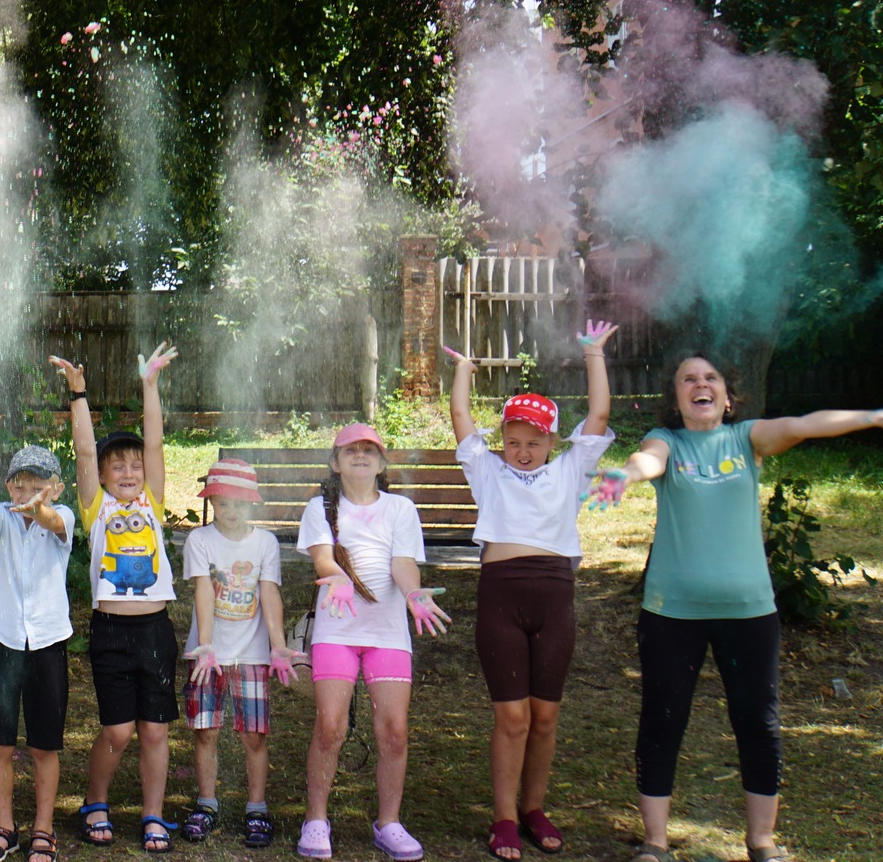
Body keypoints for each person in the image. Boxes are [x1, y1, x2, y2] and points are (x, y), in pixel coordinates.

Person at [585, 353, 883, 862]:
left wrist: (876, 416)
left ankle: (761, 841)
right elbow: (646, 461)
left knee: (757, 722)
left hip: (749, 612)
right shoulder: (669, 442)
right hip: (671, 612)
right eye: (688, 380)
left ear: (726, 396)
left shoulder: (747, 440)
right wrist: (623, 476)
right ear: (676, 399)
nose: (700, 385)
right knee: (662, 719)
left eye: (710, 379)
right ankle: (655, 843)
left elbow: (803, 425)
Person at [447, 321, 618, 861]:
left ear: (552, 440)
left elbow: (600, 417)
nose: (522, 451)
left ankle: (533, 807)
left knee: (545, 716)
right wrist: (463, 372)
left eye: (534, 441)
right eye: (513, 441)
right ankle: (502, 816)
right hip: (501, 596)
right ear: (503, 442)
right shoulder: (487, 472)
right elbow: (460, 418)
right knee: (512, 717)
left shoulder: (570, 470)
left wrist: (593, 355)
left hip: (554, 597)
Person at [295, 423, 452, 862]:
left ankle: (389, 823)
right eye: (351, 450)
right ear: (335, 462)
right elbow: (323, 558)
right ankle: (316, 819)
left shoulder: (400, 509)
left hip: (387, 634)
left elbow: (403, 564)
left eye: (369, 450)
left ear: (382, 463)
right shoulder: (319, 509)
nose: (360, 456)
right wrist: (339, 577)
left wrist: (413, 593)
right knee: (330, 726)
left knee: (395, 731)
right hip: (336, 629)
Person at [51, 343, 181, 853]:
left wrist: (150, 385)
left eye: (134, 466)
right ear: (103, 477)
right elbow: (84, 450)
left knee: (154, 730)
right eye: (116, 466)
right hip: (111, 632)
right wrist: (79, 394)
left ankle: (153, 814)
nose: (128, 472)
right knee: (120, 730)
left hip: (156, 631)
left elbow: (155, 445)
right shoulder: (95, 509)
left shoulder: (153, 502)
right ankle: (95, 798)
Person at [0, 444, 76, 862]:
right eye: (19, 485)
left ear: (56, 488)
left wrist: (39, 508)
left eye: (38, 487)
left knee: (45, 746)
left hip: (47, 643)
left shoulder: (63, 518)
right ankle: (4, 827)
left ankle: (45, 829)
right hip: (2, 642)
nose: (27, 494)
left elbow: (52, 519)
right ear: (8, 486)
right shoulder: (3, 513)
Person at [180, 459, 299, 849]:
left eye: (239, 504)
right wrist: (207, 647)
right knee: (206, 730)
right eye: (223, 503)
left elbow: (269, 593)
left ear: (252, 504)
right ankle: (206, 804)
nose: (230, 512)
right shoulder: (200, 540)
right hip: (208, 654)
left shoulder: (265, 543)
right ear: (212, 501)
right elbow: (202, 590)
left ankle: (256, 808)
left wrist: (278, 646)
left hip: (251, 654)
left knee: (254, 735)